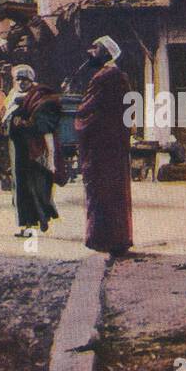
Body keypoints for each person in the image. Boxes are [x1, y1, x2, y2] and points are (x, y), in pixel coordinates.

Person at [74, 36, 133, 256]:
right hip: (115, 144)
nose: (92, 52)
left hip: (101, 145)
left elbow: (86, 111)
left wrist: (79, 121)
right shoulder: (121, 76)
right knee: (116, 192)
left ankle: (102, 239)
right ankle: (119, 238)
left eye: (96, 48)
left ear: (106, 53)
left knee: (100, 192)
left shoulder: (103, 77)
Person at [3, 65, 63, 235]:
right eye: (19, 79)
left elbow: (42, 124)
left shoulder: (38, 97)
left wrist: (23, 123)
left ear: (31, 80)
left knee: (34, 186)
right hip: (17, 148)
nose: (22, 83)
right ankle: (28, 225)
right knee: (21, 186)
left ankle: (34, 224)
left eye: (26, 80)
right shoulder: (12, 96)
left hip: (32, 148)